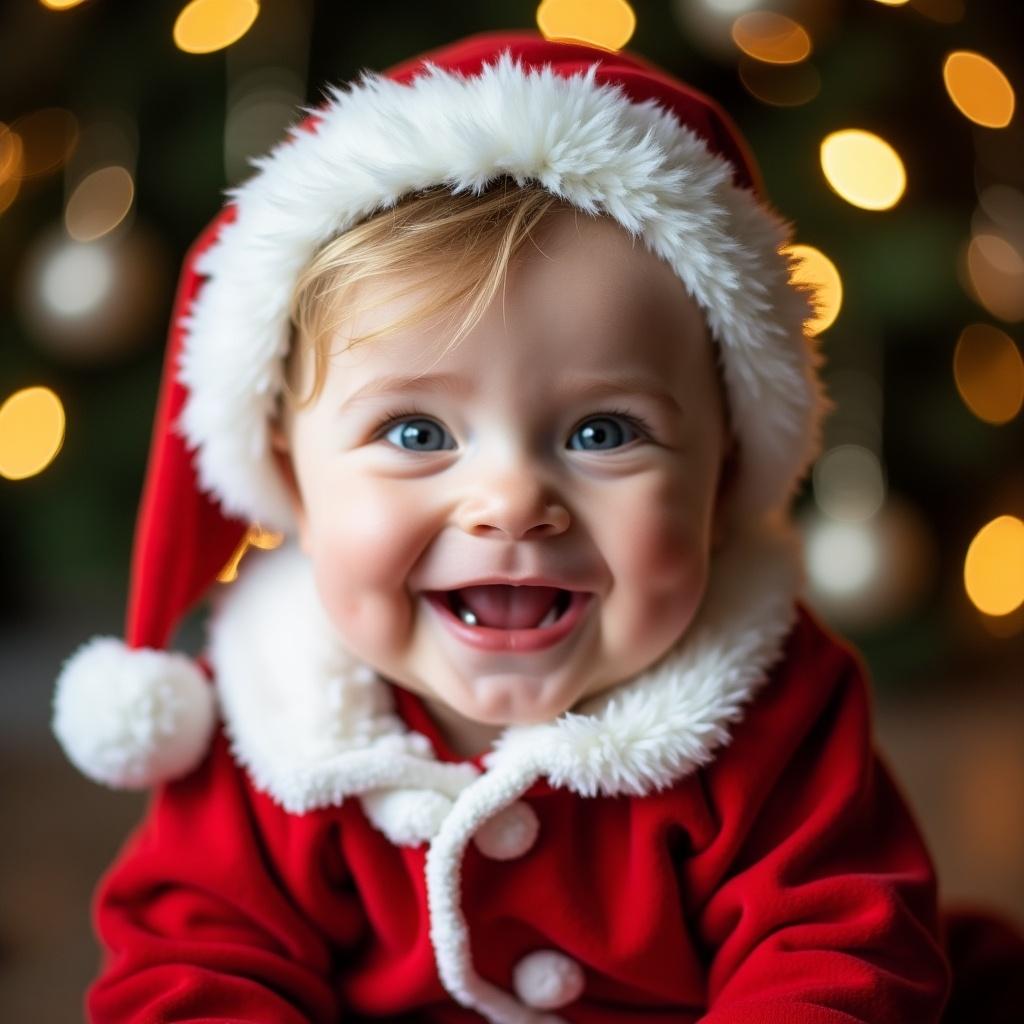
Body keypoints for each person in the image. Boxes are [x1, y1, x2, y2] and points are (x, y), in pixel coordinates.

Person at [52, 29, 1013, 1024]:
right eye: (416, 430)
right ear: (292, 476)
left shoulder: (772, 706)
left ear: (723, 472)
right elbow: (195, 970)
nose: (510, 500)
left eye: (604, 431)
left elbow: (835, 951)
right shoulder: (272, 723)